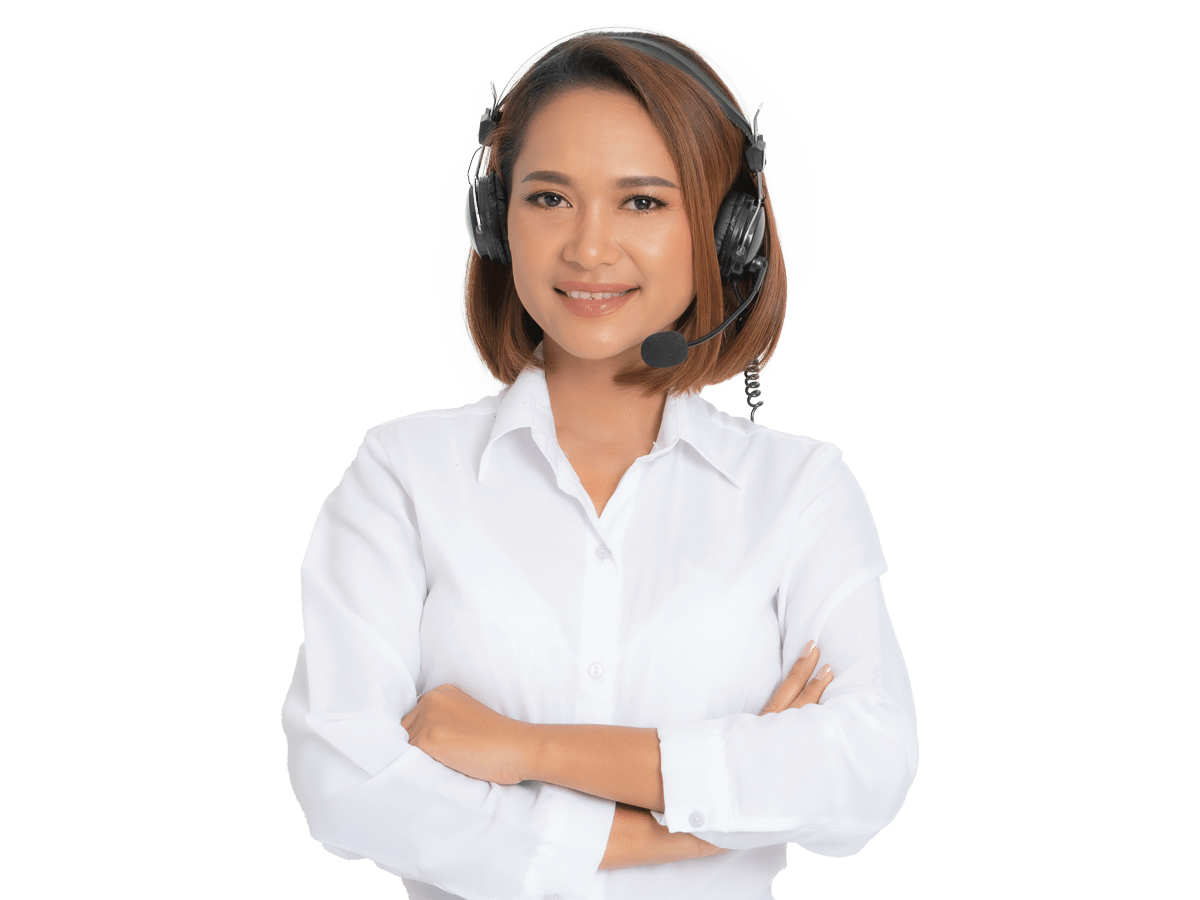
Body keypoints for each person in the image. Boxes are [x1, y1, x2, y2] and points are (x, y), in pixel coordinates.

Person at [281, 25, 918, 900]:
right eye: (549, 198)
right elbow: (344, 784)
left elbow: (868, 766)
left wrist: (527, 749)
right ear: (496, 222)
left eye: (643, 203)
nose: (587, 248)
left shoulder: (799, 491)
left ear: (728, 234)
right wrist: (686, 824)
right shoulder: (402, 475)